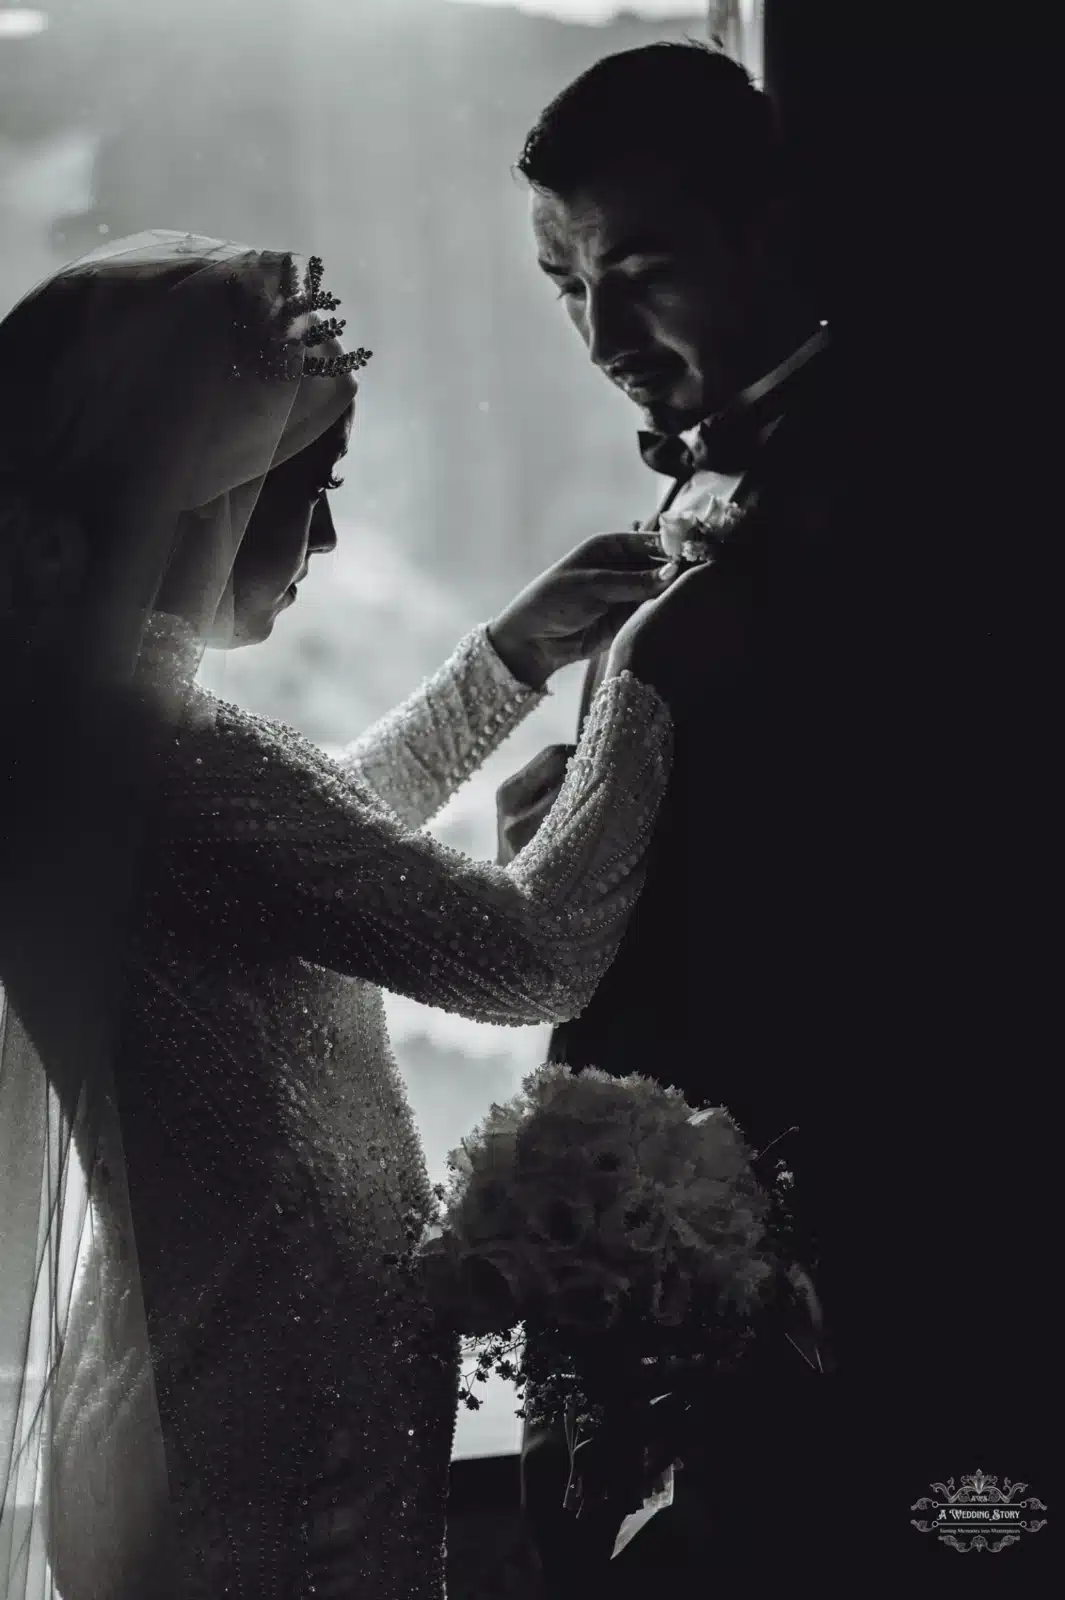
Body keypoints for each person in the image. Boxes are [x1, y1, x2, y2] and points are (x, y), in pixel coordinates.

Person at [0, 230, 712, 1599]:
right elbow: (524, 959)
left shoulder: (96, 735)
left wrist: (506, 662)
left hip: (192, 1386)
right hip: (272, 1429)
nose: (325, 536)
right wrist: (651, 677)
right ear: (197, 495)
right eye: (306, 490)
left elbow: (311, 859)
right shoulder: (170, 755)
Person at [500, 42, 910, 1592]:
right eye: (565, 287)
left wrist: (594, 842)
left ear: (776, 234)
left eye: (640, 268)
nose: (601, 334)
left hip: (816, 1169)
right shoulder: (731, 479)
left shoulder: (879, 490)